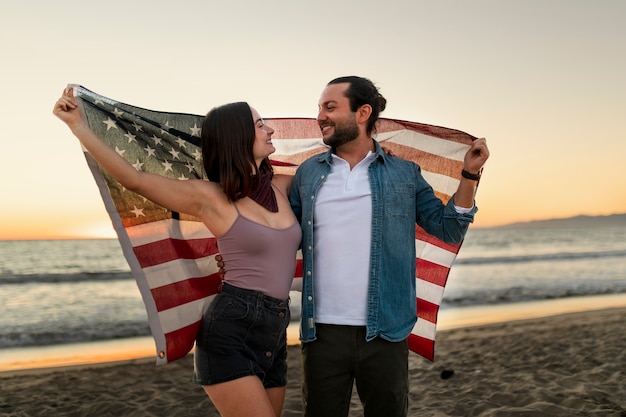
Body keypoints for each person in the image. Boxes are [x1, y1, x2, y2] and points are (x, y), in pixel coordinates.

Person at [53, 88, 301, 417]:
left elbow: (339, 172)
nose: (270, 130)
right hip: (232, 330)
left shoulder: (282, 186)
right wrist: (78, 127)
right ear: (237, 136)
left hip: (276, 330)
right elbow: (135, 180)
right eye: (260, 124)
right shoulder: (210, 197)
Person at [289, 76, 490, 417]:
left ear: (363, 112)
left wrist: (469, 176)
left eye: (330, 107)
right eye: (319, 108)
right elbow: (285, 236)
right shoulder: (308, 174)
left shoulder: (404, 173)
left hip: (385, 331)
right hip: (321, 331)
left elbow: (449, 229)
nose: (320, 116)